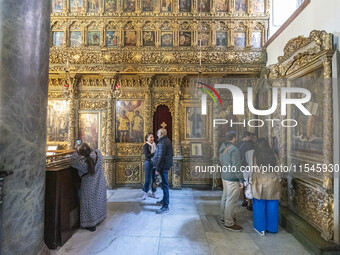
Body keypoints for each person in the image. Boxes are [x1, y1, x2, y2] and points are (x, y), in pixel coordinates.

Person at [70, 143, 107, 232]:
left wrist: (76, 152)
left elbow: (72, 161)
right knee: (98, 200)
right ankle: (99, 217)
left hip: (88, 185)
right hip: (100, 182)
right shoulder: (98, 154)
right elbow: (95, 150)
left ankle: (90, 224)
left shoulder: (82, 163)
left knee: (88, 204)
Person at [252, 138, 281, 236]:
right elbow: (279, 169)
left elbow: (255, 170)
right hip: (273, 182)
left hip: (260, 183)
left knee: (259, 205)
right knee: (272, 205)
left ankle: (260, 228)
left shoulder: (256, 156)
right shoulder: (274, 155)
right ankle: (272, 228)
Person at [219, 131, 244, 231]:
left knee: (225, 197)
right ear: (234, 137)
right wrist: (241, 179)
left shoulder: (223, 147)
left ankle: (223, 217)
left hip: (225, 175)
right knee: (231, 199)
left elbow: (222, 161)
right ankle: (229, 222)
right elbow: (237, 166)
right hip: (232, 177)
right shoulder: (234, 149)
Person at [152, 128, 173, 214]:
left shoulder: (163, 142)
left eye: (158, 132)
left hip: (163, 166)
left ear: (162, 134)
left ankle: (165, 206)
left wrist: (157, 169)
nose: (157, 134)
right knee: (164, 185)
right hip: (164, 165)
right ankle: (164, 201)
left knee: (165, 185)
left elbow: (161, 157)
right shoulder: (164, 141)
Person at [235, 131, 254, 207]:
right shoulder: (249, 145)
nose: (250, 138)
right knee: (248, 184)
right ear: (246, 136)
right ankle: (249, 202)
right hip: (247, 166)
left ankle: (243, 201)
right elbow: (251, 157)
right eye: (249, 137)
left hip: (240, 167)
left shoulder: (237, 145)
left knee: (241, 184)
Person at [142, 133, 158, 200]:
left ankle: (154, 192)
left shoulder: (155, 145)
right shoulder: (146, 146)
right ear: (147, 139)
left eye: (153, 137)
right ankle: (145, 192)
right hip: (148, 163)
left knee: (155, 179)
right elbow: (147, 155)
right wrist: (155, 153)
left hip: (155, 163)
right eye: (150, 137)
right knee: (148, 179)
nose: (152, 139)